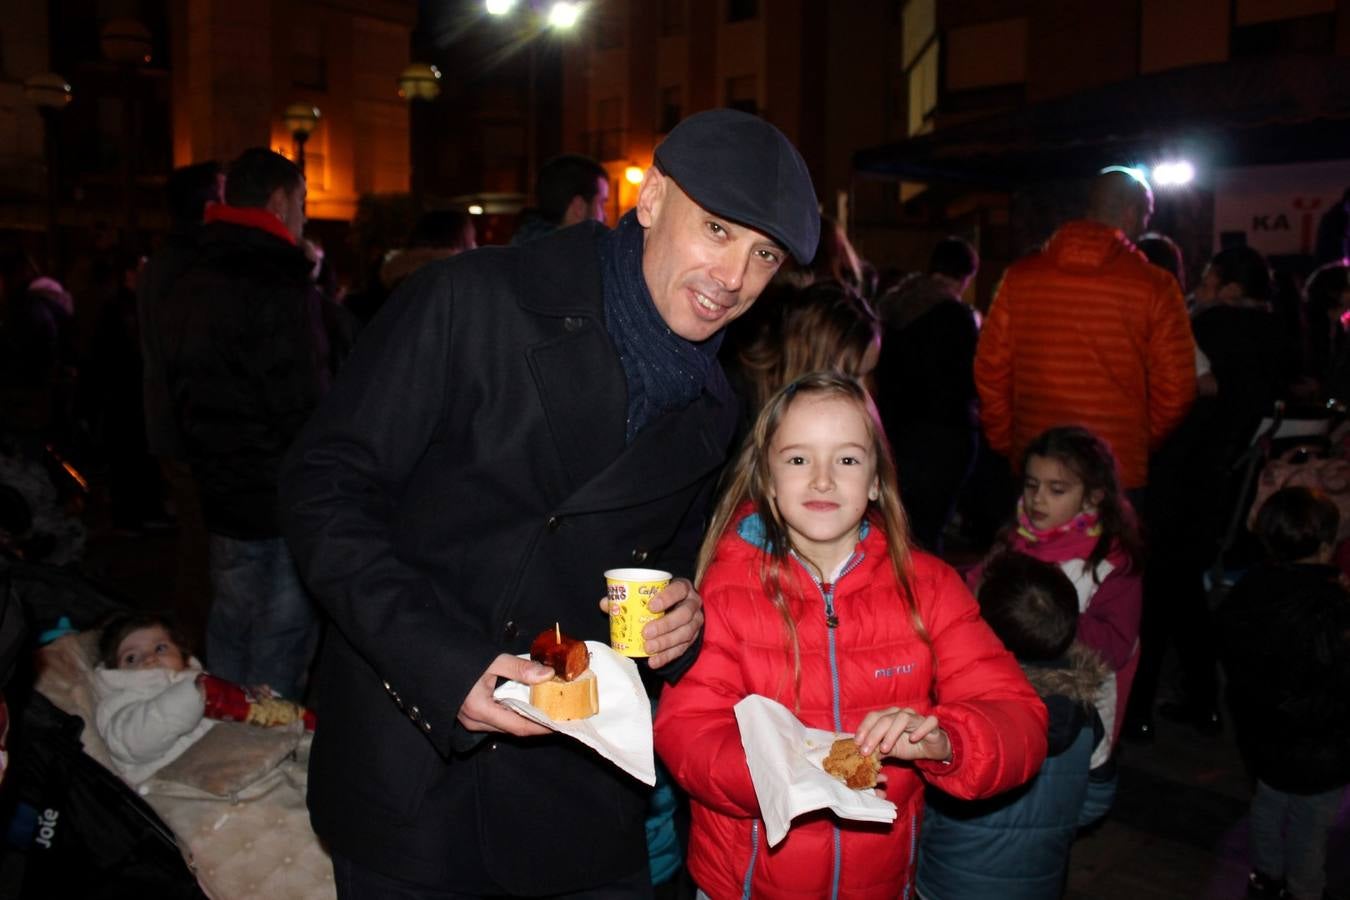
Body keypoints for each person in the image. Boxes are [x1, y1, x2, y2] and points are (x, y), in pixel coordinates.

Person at [278, 108, 821, 897]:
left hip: (576, 794)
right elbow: (323, 486)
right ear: (654, 198)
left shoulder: (715, 405)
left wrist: (682, 613)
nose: (734, 277)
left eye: (762, 253)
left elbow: (660, 562)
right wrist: (443, 665)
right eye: (717, 230)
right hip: (415, 767)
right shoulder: (473, 299)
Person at [652, 373, 1048, 899]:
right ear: (768, 480)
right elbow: (688, 733)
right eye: (798, 459)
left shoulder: (928, 587)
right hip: (746, 887)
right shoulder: (724, 589)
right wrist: (788, 779)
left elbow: (1018, 718)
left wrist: (944, 739)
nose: (822, 480)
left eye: (846, 460)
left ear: (877, 479)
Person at [163, 148, 351, 702]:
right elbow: (302, 397)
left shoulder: (190, 272)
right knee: (282, 630)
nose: (304, 217)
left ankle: (221, 728)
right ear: (278, 201)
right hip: (278, 488)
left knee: (233, 616)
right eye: (302, 203)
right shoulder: (277, 282)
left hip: (220, 485)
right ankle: (263, 750)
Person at [974, 167, 1197, 497]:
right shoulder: (1156, 285)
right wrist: (1136, 439)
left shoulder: (1019, 278)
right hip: (1115, 467)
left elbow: (990, 370)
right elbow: (1177, 387)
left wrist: (1011, 441)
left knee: (1039, 548)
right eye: (1146, 215)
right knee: (1109, 549)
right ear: (1132, 212)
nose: (1145, 225)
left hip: (1038, 460)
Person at [918, 551, 1109, 900]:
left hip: (949, 883)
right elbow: (1097, 797)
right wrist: (1052, 830)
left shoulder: (961, 714)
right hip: (1039, 883)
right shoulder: (1086, 717)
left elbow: (925, 811)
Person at [979, 426, 1142, 796]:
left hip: (1075, 709)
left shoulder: (1111, 564)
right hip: (1007, 693)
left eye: (1057, 490)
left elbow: (1116, 645)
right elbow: (977, 587)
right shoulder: (1016, 540)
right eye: (1032, 485)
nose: (1038, 500)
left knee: (1055, 792)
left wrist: (1042, 618)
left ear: (1092, 498)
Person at [1217, 487, 1350, 900]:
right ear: (1327, 545)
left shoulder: (1246, 591)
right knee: (1312, 822)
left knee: (1268, 803)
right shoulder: (1332, 608)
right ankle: (1305, 889)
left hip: (1262, 732)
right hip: (1322, 745)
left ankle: (1266, 874)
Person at [93, 612, 312, 786]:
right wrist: (191, 694)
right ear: (115, 672)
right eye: (131, 657)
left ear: (185, 658)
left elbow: (232, 714)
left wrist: (257, 700)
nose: (149, 658)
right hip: (181, 788)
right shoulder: (122, 702)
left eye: (160, 648)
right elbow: (136, 741)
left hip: (244, 763)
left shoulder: (196, 682)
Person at [875, 235, 981, 554]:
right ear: (966, 276)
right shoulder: (956, 316)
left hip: (895, 432)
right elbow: (967, 380)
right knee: (927, 532)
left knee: (897, 527)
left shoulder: (894, 304)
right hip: (941, 435)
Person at [721, 279, 880, 428]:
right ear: (812, 361)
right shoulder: (732, 406)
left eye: (869, 374)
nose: (865, 395)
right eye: (852, 376)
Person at [511, 153, 611, 244]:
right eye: (601, 203)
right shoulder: (572, 260)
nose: (605, 216)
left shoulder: (521, 249)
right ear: (579, 207)